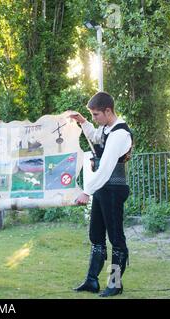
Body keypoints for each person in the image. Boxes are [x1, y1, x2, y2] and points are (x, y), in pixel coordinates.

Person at [69, 92, 133, 297]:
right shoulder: (107, 128)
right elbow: (95, 136)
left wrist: (87, 192)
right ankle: (92, 281)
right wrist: (83, 122)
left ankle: (115, 283)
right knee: (96, 234)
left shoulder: (120, 133)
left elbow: (105, 168)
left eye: (96, 115)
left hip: (114, 188)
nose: (95, 119)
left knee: (116, 238)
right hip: (103, 189)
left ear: (108, 111)